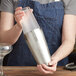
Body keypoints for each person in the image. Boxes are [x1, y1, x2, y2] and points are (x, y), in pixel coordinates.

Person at [0, 0, 76, 74]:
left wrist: (53, 60)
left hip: (55, 69)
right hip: (18, 69)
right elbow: (4, 40)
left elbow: (68, 41)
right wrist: (18, 26)